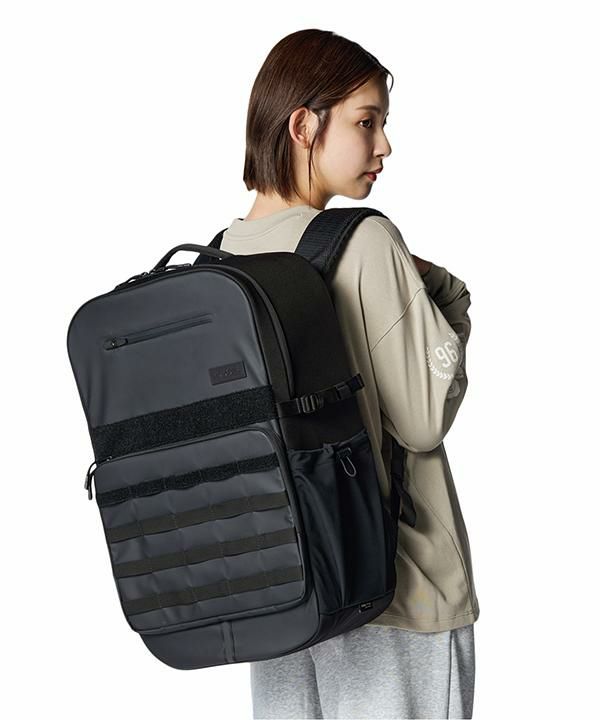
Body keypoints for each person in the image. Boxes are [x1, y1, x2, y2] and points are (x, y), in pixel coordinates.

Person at [218, 29, 480, 720]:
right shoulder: (365, 242)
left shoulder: (220, 260)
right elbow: (423, 418)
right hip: (399, 590)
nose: (384, 145)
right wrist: (448, 298)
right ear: (303, 126)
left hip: (286, 595)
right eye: (367, 122)